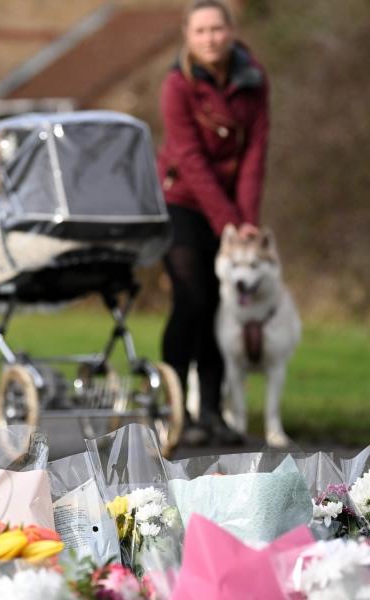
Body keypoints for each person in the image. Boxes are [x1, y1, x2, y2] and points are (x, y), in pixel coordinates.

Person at [158, 0, 268, 445]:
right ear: (187, 35)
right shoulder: (176, 84)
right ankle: (172, 407)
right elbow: (190, 158)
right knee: (193, 299)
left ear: (230, 31)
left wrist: (246, 220)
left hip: (228, 210)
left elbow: (254, 153)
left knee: (223, 308)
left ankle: (210, 412)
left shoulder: (253, 80)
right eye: (200, 31)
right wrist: (227, 219)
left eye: (216, 29)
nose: (209, 39)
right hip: (181, 200)